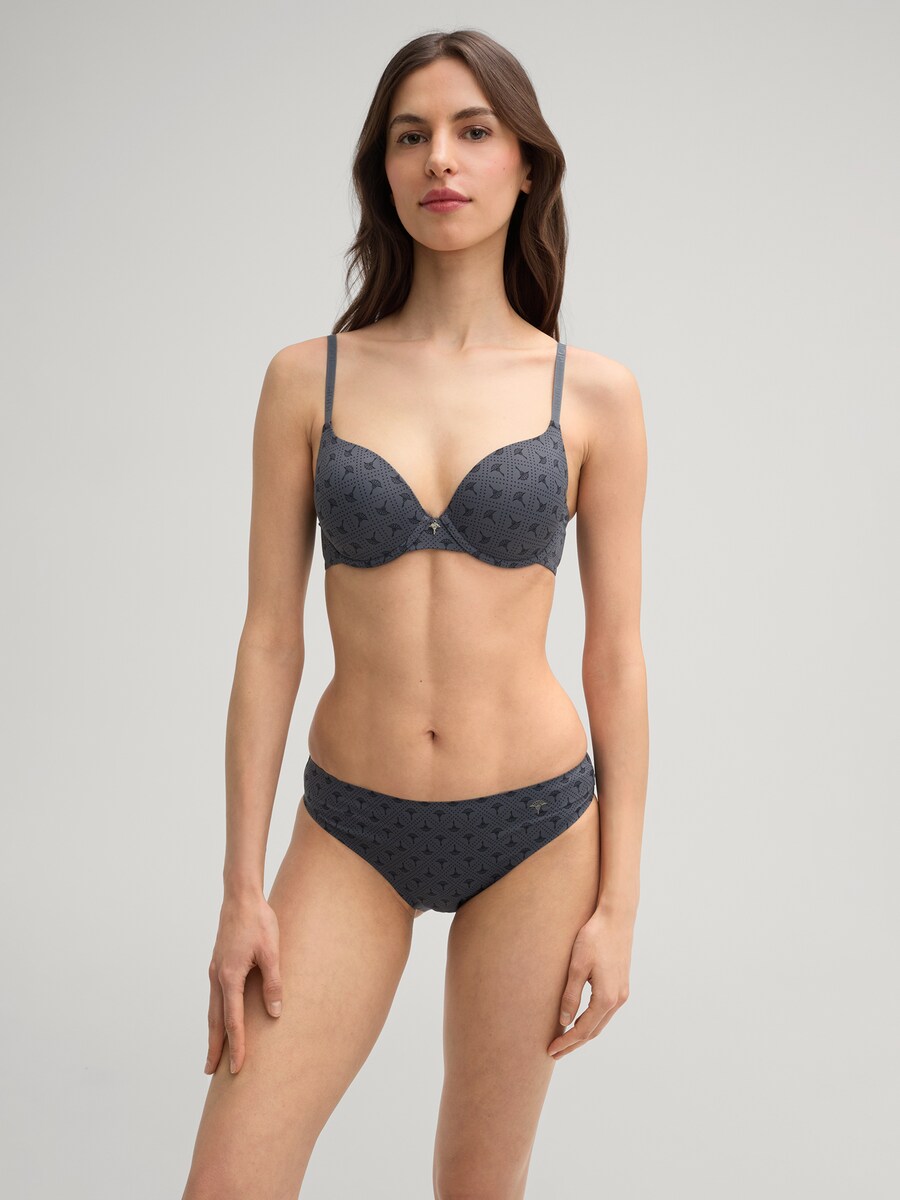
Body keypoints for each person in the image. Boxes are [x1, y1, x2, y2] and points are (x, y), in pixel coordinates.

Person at [182, 27, 648, 1200]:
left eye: (472, 131)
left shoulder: (593, 394)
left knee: (476, 1187)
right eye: (410, 135)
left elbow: (617, 657)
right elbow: (269, 640)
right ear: (384, 171)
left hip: (538, 830)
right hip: (353, 826)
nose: (439, 157)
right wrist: (241, 888)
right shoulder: (309, 379)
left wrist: (620, 905)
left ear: (525, 165)